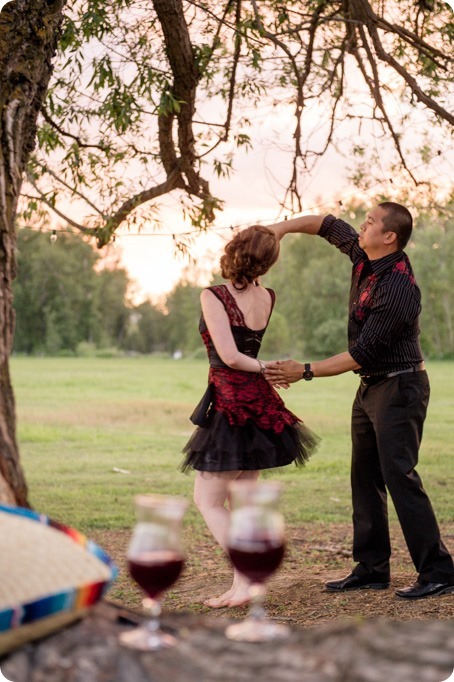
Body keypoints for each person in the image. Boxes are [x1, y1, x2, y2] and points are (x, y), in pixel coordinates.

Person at [264, 203, 454, 600]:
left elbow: (361, 352)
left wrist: (307, 370)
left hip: (400, 388)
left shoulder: (400, 288)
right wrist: (277, 229)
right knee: (364, 477)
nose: (361, 226)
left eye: (370, 223)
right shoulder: (364, 254)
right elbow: (325, 224)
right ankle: (371, 569)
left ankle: (438, 571)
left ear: (390, 237)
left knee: (398, 475)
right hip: (371, 387)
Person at [181, 224, 319, 609]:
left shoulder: (214, 295)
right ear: (268, 262)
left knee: (207, 500)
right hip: (259, 403)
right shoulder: (267, 297)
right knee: (242, 498)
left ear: (234, 250)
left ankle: (250, 572)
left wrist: (264, 367)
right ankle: (244, 584)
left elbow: (229, 357)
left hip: (232, 404)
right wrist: (268, 370)